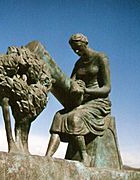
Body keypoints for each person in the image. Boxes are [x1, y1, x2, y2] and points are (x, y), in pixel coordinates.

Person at [45, 33, 112, 166]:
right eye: (73, 49)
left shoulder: (100, 58)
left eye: (78, 47)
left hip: (99, 102)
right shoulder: (78, 63)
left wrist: (86, 90)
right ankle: (47, 157)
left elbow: (107, 88)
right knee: (59, 116)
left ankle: (84, 156)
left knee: (75, 117)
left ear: (85, 43)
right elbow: (71, 83)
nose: (76, 51)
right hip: (82, 101)